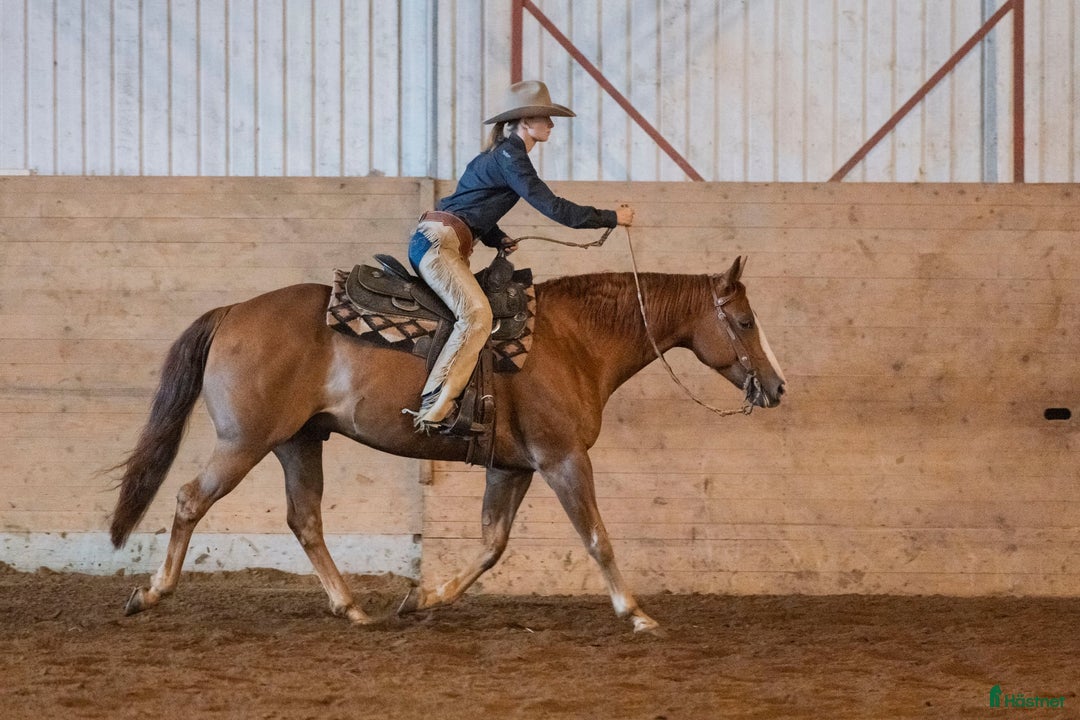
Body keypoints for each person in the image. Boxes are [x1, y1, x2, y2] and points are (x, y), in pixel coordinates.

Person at [404, 80, 635, 432]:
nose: (551, 125)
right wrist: (612, 218)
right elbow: (554, 208)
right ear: (525, 122)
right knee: (478, 316)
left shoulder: (496, 157)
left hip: (441, 239)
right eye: (545, 118)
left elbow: (467, 204)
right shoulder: (512, 158)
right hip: (440, 245)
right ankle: (436, 405)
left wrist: (496, 237)